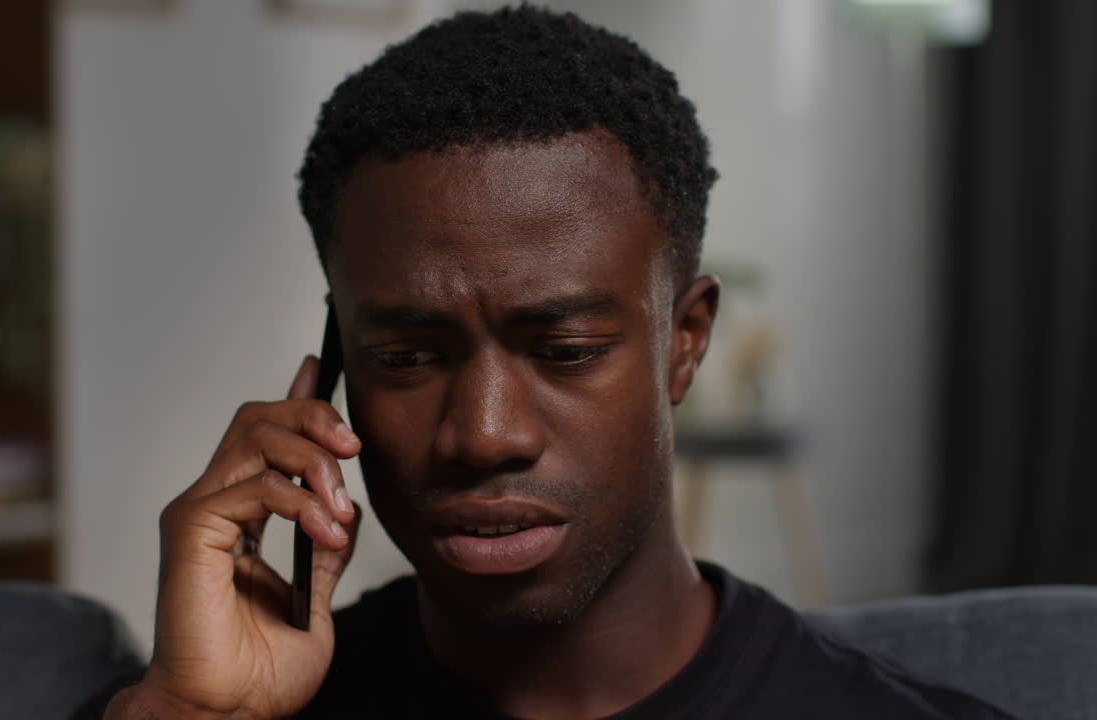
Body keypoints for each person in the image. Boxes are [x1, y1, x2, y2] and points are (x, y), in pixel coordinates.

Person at [83, 6, 1015, 719]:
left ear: (683, 343)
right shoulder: (207, 703)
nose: (484, 434)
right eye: (405, 355)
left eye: (566, 350)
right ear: (336, 371)